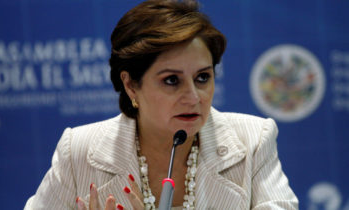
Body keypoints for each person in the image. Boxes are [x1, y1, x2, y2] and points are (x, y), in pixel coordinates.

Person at [24, 0, 298, 209]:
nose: (193, 97)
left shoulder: (253, 140)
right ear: (131, 85)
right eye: (171, 81)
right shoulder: (79, 151)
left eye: (203, 77)